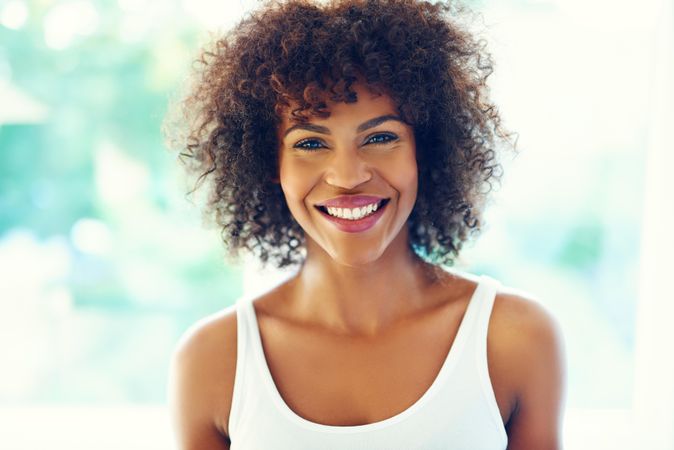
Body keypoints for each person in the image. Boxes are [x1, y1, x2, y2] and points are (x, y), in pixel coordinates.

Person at [167, 0, 566, 449]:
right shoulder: (213, 361)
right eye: (311, 143)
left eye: (380, 138)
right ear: (268, 161)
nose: (348, 176)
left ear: (426, 149)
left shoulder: (513, 339)